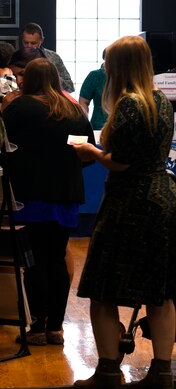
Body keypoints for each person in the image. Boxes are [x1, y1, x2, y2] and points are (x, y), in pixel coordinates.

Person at [73, 36, 176, 389]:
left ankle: (109, 372)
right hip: (164, 200)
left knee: (103, 291)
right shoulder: (161, 100)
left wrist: (92, 153)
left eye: (109, 61)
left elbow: (121, 163)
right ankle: (162, 373)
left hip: (130, 205)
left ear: (120, 66)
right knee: (161, 293)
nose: (105, 68)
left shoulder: (128, 106)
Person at [4, 59, 94, 347]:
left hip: (30, 196)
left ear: (27, 79)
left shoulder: (19, 108)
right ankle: (56, 327)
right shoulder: (72, 110)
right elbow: (87, 153)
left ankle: (37, 327)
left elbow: (3, 146)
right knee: (57, 259)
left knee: (34, 262)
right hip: (66, 195)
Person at [20, 23, 74, 92]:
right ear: (22, 40)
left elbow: (69, 87)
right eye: (26, 43)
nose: (29, 46)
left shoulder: (53, 58)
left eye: (33, 43)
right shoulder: (16, 59)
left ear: (41, 40)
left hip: (50, 100)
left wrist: (51, 76)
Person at [79, 49, 108, 130]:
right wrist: (84, 124)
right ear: (104, 58)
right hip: (98, 125)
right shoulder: (95, 75)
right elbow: (83, 102)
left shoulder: (125, 76)